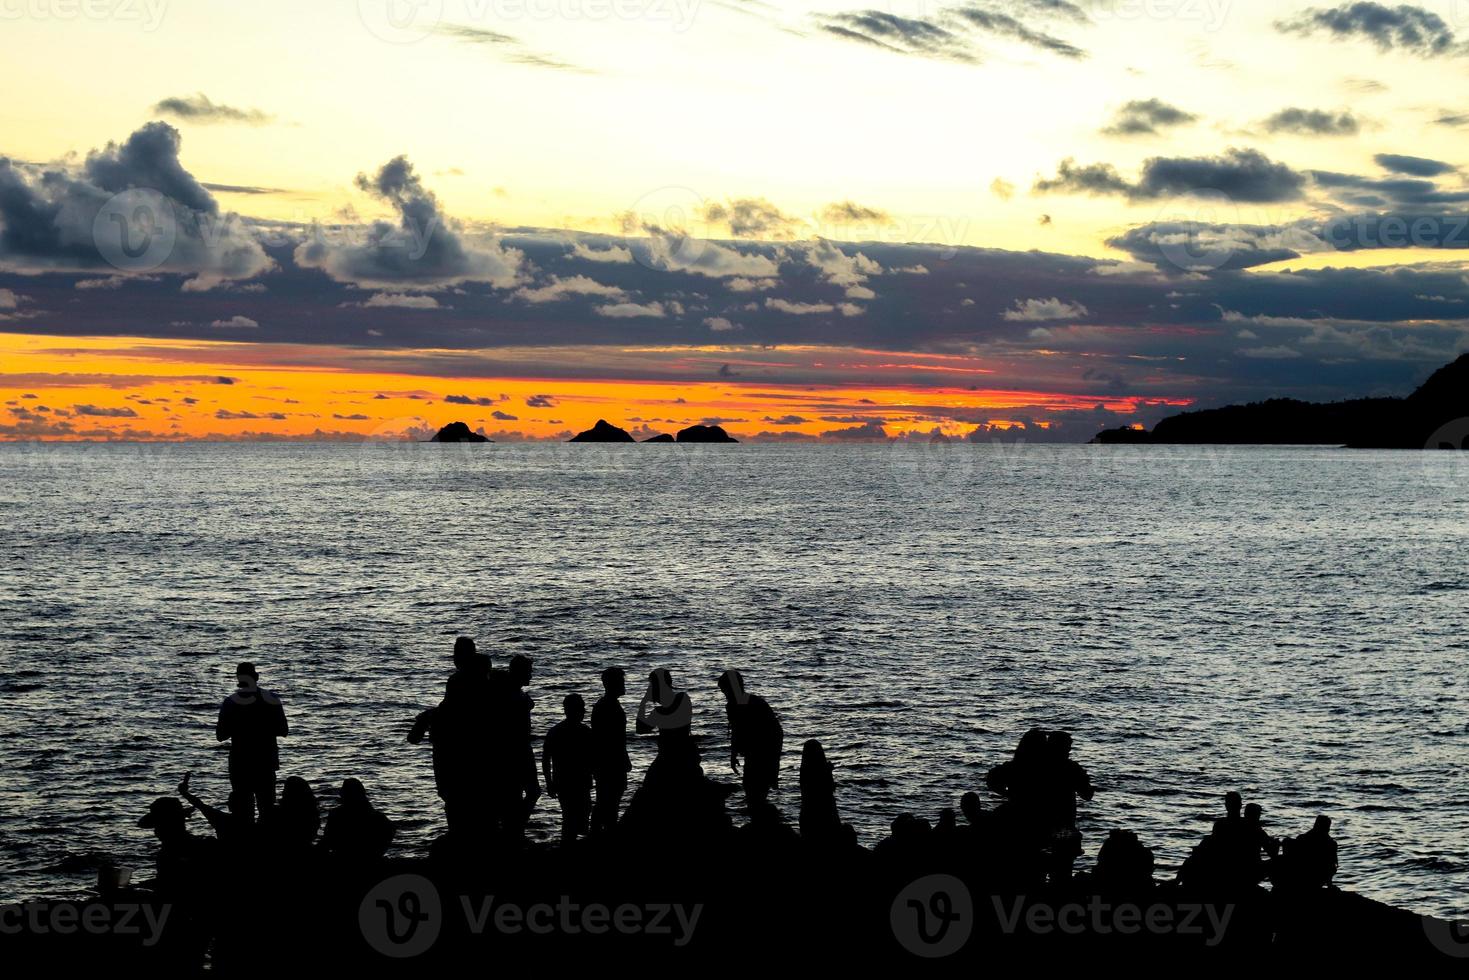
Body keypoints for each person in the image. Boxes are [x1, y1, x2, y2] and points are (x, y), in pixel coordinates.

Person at [216, 662, 288, 821]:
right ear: (256, 677)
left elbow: (220, 735)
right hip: (265, 762)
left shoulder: (230, 702)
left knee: (242, 813)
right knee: (267, 810)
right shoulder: (272, 699)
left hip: (240, 764)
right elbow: (284, 731)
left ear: (238, 679)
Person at [717, 669, 784, 806]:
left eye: (726, 691)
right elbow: (736, 731)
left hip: (763, 753)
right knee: (752, 790)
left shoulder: (755, 704)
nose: (725, 695)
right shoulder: (734, 705)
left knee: (755, 790)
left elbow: (775, 733)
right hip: (753, 754)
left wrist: (772, 762)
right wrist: (733, 755)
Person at [543, 694, 596, 842]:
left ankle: (569, 844)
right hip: (574, 782)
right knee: (575, 817)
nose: (584, 711)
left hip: (567, 782)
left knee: (573, 816)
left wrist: (549, 782)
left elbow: (546, 759)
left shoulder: (556, 731)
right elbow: (546, 759)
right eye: (581, 708)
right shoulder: (585, 732)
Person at [590, 667, 632, 836]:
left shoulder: (608, 704)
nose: (624, 685)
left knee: (609, 799)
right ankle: (601, 833)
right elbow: (609, 739)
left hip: (610, 760)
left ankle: (603, 831)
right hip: (609, 762)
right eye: (621, 681)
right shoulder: (607, 706)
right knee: (607, 800)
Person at [322, 778, 395, 864]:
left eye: (343, 792)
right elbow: (390, 830)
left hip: (342, 860)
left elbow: (327, 841)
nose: (340, 794)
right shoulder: (378, 817)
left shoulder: (336, 814)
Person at [177, 771, 254, 845]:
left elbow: (200, 805)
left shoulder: (222, 820)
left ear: (233, 806)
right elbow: (200, 805)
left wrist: (184, 793)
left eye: (230, 802)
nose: (228, 804)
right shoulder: (251, 826)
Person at [798, 739, 841, 843]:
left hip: (807, 815)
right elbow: (828, 791)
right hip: (826, 815)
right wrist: (828, 772)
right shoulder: (823, 770)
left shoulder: (804, 771)